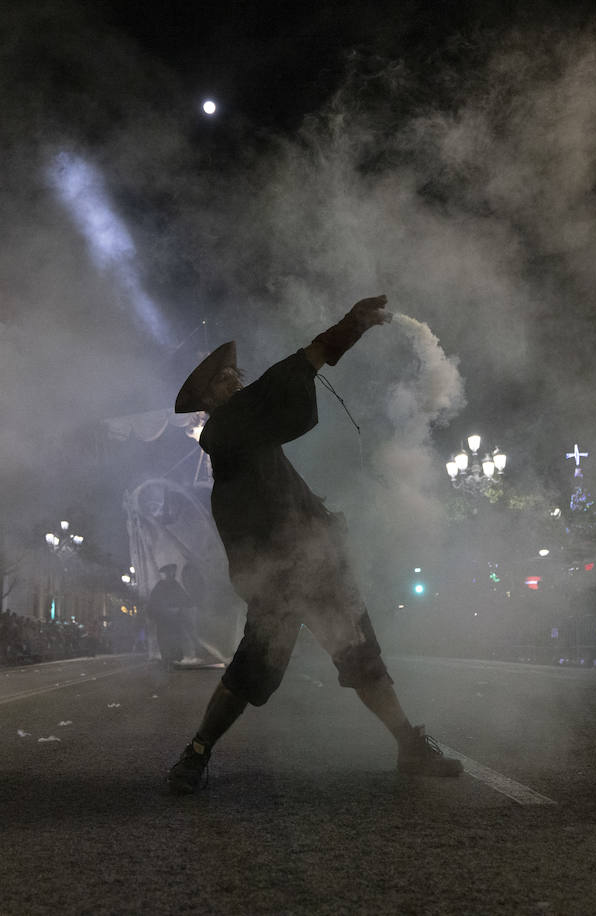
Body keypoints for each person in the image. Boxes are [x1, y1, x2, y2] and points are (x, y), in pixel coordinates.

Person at [166, 293, 461, 794]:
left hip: (313, 563)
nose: (236, 379)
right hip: (278, 574)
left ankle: (408, 745)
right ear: (210, 399)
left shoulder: (249, 431)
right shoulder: (224, 430)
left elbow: (273, 404)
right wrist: (345, 330)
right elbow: (278, 386)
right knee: (252, 669)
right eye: (225, 378)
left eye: (235, 374)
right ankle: (196, 752)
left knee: (360, 653)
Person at [148, 563, 198, 667]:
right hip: (163, 619)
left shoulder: (176, 585)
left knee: (175, 639)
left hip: (174, 619)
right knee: (164, 639)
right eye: (169, 572)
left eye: (172, 572)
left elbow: (184, 599)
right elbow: (153, 602)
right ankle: (167, 660)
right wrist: (163, 610)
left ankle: (175, 659)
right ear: (165, 573)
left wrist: (190, 603)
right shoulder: (160, 586)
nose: (171, 574)